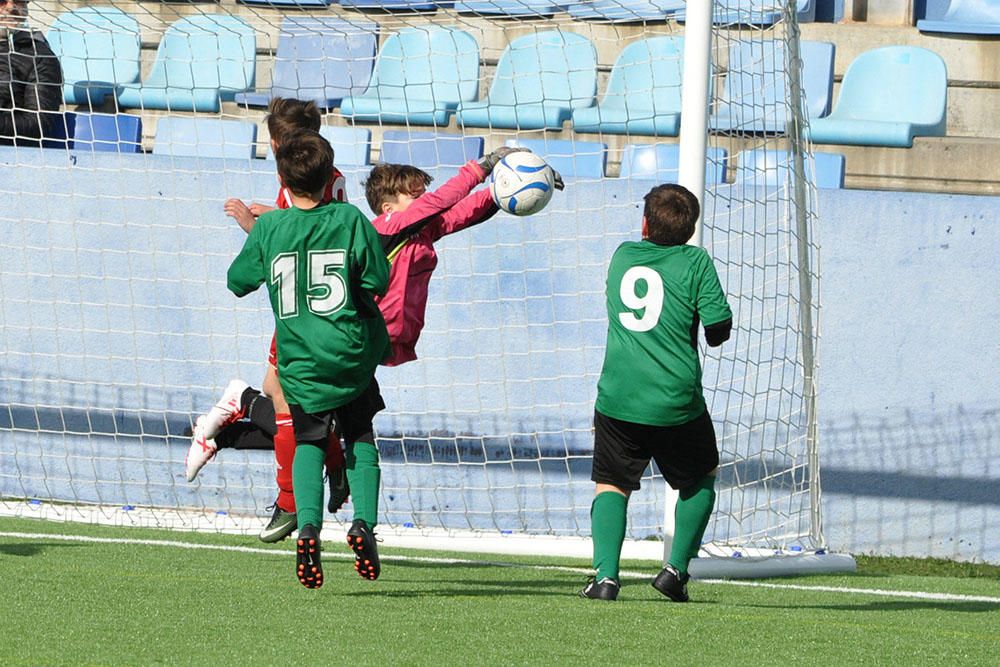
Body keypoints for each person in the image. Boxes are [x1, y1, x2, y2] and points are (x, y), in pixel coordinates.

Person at [187, 148, 564, 566]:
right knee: (348, 432)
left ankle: (244, 443)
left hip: (342, 343)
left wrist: (510, 188)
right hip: (352, 340)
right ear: (388, 206)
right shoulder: (381, 226)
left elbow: (456, 215)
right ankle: (247, 407)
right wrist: (484, 166)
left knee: (312, 429)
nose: (428, 197)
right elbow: (437, 210)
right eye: (417, 194)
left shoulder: (413, 229)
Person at [227, 128, 390, 589]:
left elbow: (237, 280)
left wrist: (256, 239)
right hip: (351, 356)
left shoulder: (272, 228)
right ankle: (363, 524)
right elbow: (378, 277)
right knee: (360, 436)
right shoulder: (350, 218)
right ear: (329, 177)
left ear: (281, 177)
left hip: (300, 363)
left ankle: (309, 529)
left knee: (309, 442)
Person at [186, 98, 351, 546]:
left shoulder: (294, 179)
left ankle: (289, 498)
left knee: (285, 405)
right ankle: (328, 473)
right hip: (337, 317)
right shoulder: (329, 176)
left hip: (302, 315)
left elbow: (288, 246)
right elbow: (318, 231)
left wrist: (254, 227)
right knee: (302, 406)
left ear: (280, 144)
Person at [580, 184, 733, 602]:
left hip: (618, 396)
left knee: (612, 484)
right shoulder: (696, 262)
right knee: (700, 477)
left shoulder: (623, 256)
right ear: (691, 228)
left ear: (644, 223)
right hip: (675, 401)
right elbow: (719, 331)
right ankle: (675, 571)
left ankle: (606, 578)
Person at [0, 0, 63, 146]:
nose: (11, 7)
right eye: (2, 1)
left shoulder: (38, 57)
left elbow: (39, 124)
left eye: (19, 1)